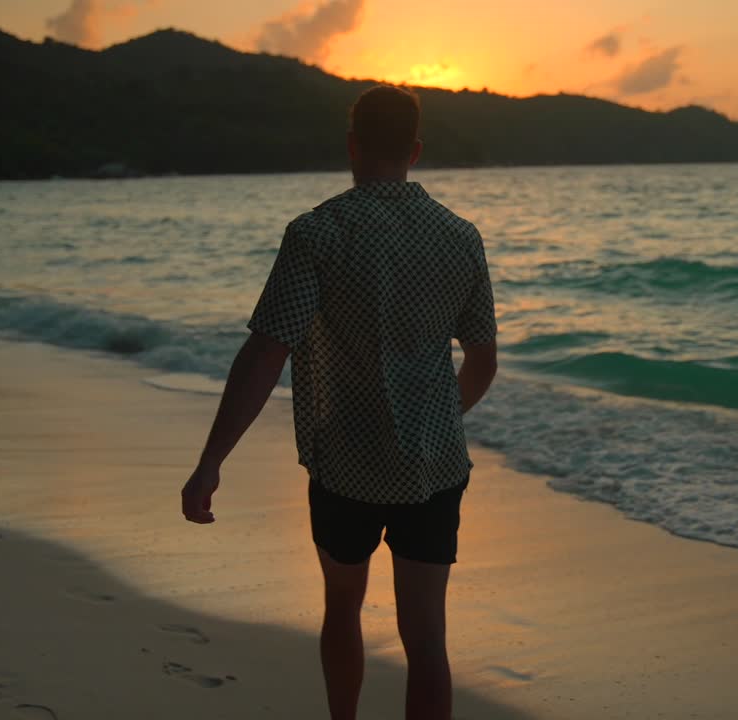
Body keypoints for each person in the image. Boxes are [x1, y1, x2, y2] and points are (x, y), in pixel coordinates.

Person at [180, 84, 498, 720]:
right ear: (415, 150)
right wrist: (434, 422)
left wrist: (212, 461)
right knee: (426, 641)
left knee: (343, 607)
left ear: (352, 145)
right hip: (433, 469)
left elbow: (266, 352)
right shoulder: (460, 237)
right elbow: (482, 362)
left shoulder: (318, 233)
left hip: (345, 463)